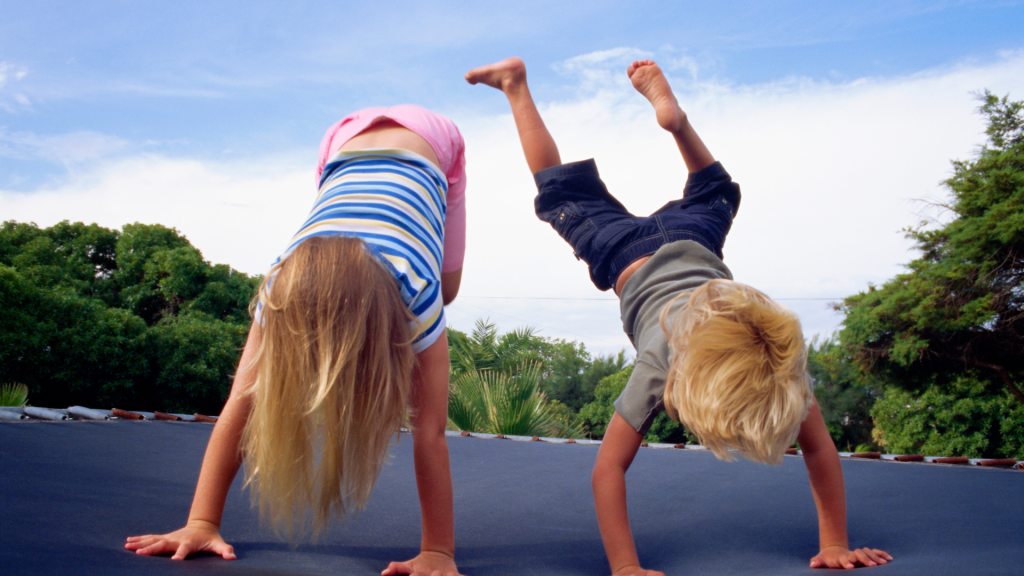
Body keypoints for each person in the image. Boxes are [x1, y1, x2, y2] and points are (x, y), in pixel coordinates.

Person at [465, 57, 893, 575]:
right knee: (558, 192)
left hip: (695, 241)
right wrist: (624, 568)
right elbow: (608, 470)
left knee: (717, 192)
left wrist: (834, 542)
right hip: (625, 255)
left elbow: (818, 447)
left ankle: (678, 125)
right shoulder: (665, 363)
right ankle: (515, 87)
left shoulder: (780, 360)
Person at [126, 105, 467, 576]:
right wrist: (199, 522)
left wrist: (439, 552)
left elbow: (429, 433)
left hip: (407, 144)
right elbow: (242, 403)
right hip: (344, 148)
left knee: (453, 286)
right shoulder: (280, 289)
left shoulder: (422, 294)